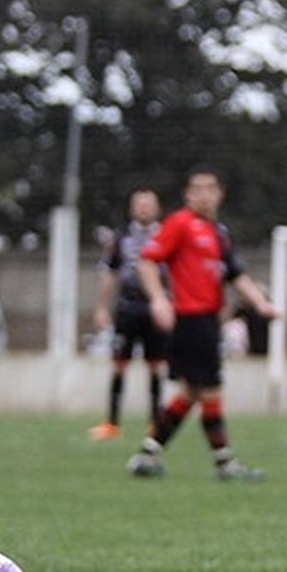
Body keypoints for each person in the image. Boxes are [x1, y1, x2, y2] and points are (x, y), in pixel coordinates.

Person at [126, 165, 279, 481]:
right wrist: (158, 299)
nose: (204, 195)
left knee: (190, 393)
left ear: (220, 193)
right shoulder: (180, 224)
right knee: (209, 389)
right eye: (197, 189)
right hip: (190, 319)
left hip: (208, 320)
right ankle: (224, 464)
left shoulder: (219, 233)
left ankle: (148, 454)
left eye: (210, 188)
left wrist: (261, 303)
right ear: (187, 194)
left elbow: (236, 275)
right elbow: (146, 261)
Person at [87, 187, 167, 441]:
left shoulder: (167, 236)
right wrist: (101, 308)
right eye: (139, 204)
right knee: (120, 364)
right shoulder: (120, 237)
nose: (144, 209)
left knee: (156, 365)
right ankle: (112, 423)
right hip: (127, 308)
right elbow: (109, 274)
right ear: (132, 209)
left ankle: (155, 424)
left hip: (155, 308)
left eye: (148, 204)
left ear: (157, 209)